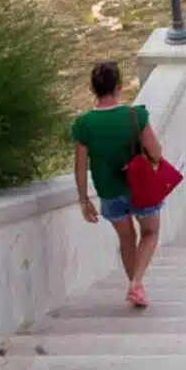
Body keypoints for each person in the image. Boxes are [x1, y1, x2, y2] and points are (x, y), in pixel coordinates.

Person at [72, 61, 165, 308]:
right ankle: (136, 283)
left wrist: (83, 199)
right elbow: (155, 152)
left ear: (93, 89)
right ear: (119, 87)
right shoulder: (136, 116)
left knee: (126, 238)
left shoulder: (84, 124)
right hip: (140, 188)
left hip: (109, 192)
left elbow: (80, 165)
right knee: (150, 232)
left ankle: (136, 286)